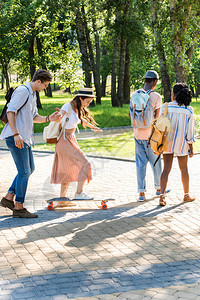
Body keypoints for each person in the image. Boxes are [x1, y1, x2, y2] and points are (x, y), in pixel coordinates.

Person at [0, 69, 61, 218]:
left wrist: (48, 118)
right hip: (16, 137)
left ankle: (8, 198)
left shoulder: (32, 94)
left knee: (29, 169)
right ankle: (19, 207)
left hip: (24, 138)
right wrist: (16, 134)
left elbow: (34, 116)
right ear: (38, 81)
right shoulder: (23, 91)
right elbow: (10, 111)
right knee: (24, 172)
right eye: (45, 85)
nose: (45, 88)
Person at [51, 87, 102, 207]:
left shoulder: (76, 109)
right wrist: (58, 115)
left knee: (67, 169)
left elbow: (82, 120)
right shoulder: (67, 106)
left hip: (70, 139)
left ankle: (62, 199)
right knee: (85, 164)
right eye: (87, 102)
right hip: (64, 140)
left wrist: (93, 127)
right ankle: (79, 193)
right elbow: (61, 114)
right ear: (80, 98)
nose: (88, 104)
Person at [130, 70, 165, 201]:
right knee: (156, 162)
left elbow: (131, 114)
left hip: (137, 134)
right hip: (151, 136)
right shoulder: (156, 96)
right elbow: (157, 117)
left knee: (140, 164)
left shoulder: (135, 94)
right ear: (154, 82)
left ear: (145, 80)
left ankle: (141, 193)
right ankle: (158, 188)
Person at [159, 83, 195, 206]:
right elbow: (190, 132)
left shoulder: (165, 107)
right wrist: (191, 146)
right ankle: (186, 195)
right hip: (182, 143)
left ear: (174, 94)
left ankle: (162, 196)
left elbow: (159, 125)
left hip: (167, 142)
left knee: (166, 169)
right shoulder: (189, 109)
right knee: (184, 169)